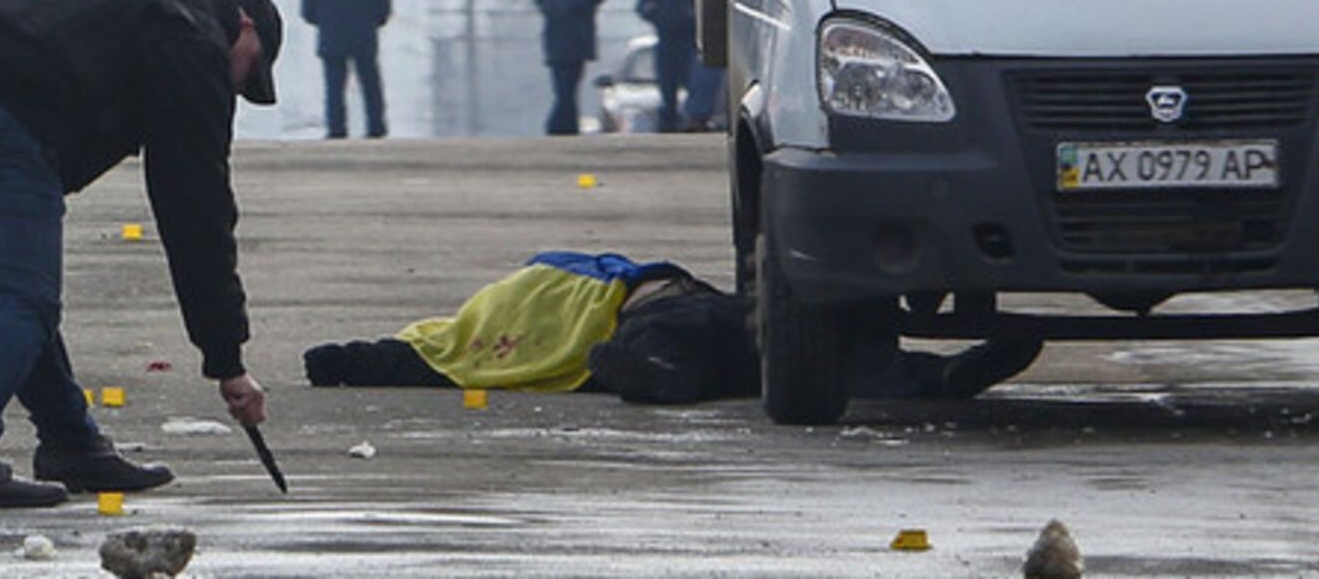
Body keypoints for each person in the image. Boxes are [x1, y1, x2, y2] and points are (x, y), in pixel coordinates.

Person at [0, 0, 282, 509]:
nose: (237, 87)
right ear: (244, 25)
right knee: (25, 302)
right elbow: (195, 208)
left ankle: (70, 443)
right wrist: (227, 360)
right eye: (248, 71)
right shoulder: (192, 39)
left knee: (22, 293)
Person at [304, 252, 1042, 405]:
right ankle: (932, 376)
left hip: (658, 319)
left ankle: (651, 377)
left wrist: (335, 360)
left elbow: (402, 359)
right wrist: (334, 359)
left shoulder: (455, 337)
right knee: (797, 359)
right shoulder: (515, 293)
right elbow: (399, 357)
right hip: (680, 307)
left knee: (700, 356)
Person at [300, 0, 391, 139]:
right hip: (364, 33)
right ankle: (376, 127)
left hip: (331, 31)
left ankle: (337, 128)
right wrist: (378, 20)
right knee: (370, 82)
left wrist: (315, 19)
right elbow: (382, 0)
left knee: (334, 85)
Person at [535, 0, 604, 136]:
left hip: (576, 39)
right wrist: (551, 8)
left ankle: (558, 127)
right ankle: (567, 128)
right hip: (555, 39)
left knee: (568, 88)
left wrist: (571, 8)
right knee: (561, 89)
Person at [636, 0, 702, 132]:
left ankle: (692, 118)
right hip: (664, 36)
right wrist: (653, 14)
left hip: (687, 37)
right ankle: (668, 119)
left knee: (692, 79)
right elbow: (642, 3)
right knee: (666, 82)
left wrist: (689, 14)